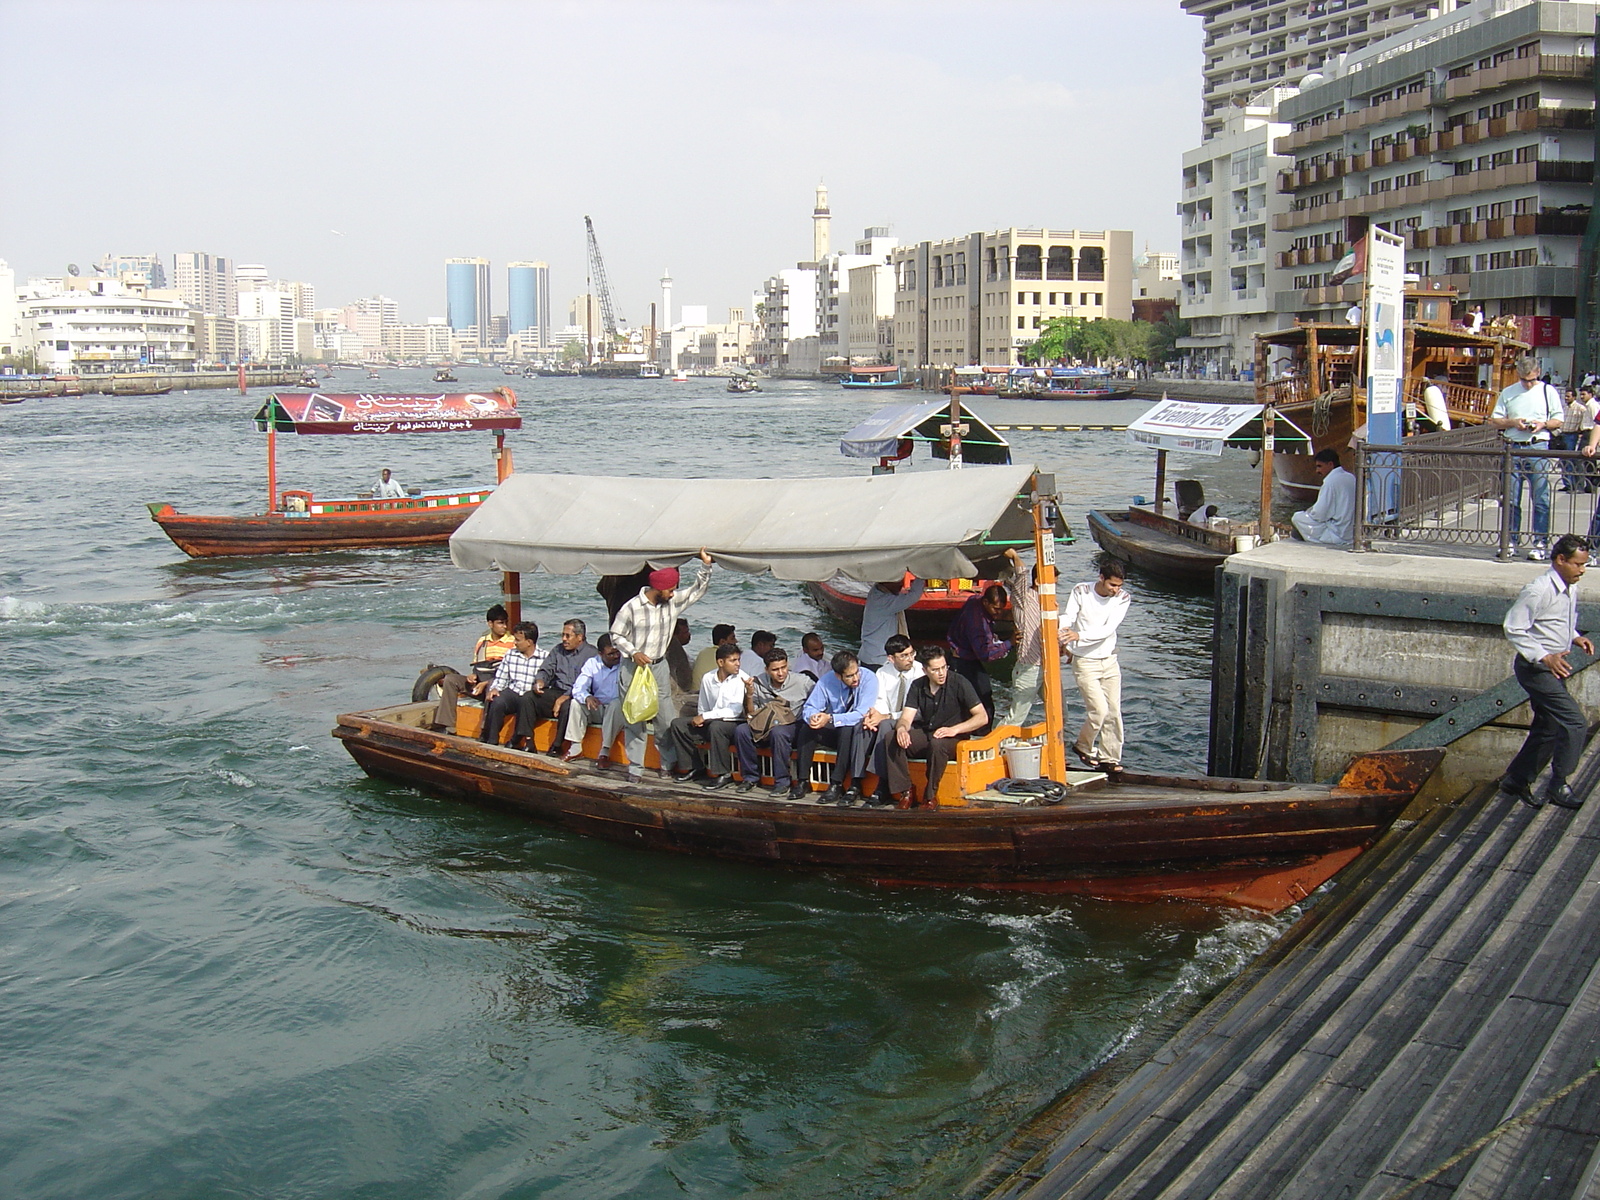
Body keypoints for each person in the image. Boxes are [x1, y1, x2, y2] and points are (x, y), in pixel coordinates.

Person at [1498, 534, 1593, 809]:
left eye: (1584, 564)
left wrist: (1574, 637)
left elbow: (1554, 620)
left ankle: (1517, 779)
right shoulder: (1538, 590)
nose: (1582, 570)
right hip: (1536, 669)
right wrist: (1545, 657)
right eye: (1578, 564)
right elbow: (1514, 628)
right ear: (1560, 560)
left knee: (1548, 725)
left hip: (1552, 667)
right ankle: (1558, 784)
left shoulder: (1568, 585)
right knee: (1575, 722)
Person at [610, 551, 715, 781]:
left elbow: (696, 591)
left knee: (665, 719)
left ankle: (667, 763)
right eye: (670, 590)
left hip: (659, 667)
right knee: (634, 718)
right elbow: (616, 634)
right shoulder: (631, 608)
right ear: (658, 589)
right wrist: (634, 652)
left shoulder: (672, 603)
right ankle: (635, 768)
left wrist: (706, 567)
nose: (673, 593)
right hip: (633, 668)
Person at [882, 646, 987, 809]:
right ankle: (906, 790)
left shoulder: (959, 682)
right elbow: (906, 717)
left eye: (944, 667)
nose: (941, 673)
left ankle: (930, 796)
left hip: (954, 738)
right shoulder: (918, 685)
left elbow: (982, 717)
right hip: (929, 732)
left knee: (937, 745)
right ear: (925, 670)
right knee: (891, 738)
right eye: (936, 669)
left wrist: (955, 730)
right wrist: (902, 729)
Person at [1062, 554, 1132, 773]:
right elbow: (1069, 616)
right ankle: (1083, 745)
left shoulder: (1122, 598)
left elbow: (1108, 629)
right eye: (1112, 584)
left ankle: (1109, 758)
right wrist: (1063, 633)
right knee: (1099, 710)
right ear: (1101, 578)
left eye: (1119, 585)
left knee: (1113, 711)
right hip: (1085, 661)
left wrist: (1078, 635)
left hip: (1109, 659)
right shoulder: (1081, 591)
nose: (1115, 590)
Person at [1491, 356, 1563, 561]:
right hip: (1513, 448)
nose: (1528, 384)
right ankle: (1510, 541)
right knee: (1511, 498)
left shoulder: (1548, 391)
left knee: (1541, 498)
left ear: (1538, 372)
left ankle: (1540, 542)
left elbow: (1559, 419)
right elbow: (1495, 420)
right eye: (1524, 380)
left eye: (1531, 380)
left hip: (1538, 445)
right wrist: (1513, 422)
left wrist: (1543, 424)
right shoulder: (1509, 392)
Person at [794, 650, 879, 804]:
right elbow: (810, 707)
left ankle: (836, 783)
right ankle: (802, 781)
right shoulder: (827, 681)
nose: (855, 678)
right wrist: (814, 717)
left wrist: (831, 718)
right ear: (838, 676)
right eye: (849, 676)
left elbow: (861, 713)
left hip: (857, 729)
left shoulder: (869, 678)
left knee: (847, 729)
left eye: (856, 672)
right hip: (835, 723)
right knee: (807, 728)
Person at [1000, 548, 1071, 728]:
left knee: (1060, 713)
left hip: (1048, 664)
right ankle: (995, 748)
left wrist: (1064, 647)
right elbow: (1022, 574)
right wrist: (1015, 556)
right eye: (1051, 584)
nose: (1054, 588)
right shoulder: (1024, 598)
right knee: (1016, 717)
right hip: (1029, 665)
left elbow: (1051, 632)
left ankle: (1053, 748)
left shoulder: (1049, 603)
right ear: (1039, 581)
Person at [733, 646, 815, 795]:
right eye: (775, 669)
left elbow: (818, 701)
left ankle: (782, 781)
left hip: (791, 725)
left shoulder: (803, 682)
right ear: (767, 670)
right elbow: (751, 714)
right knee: (741, 731)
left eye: (783, 667)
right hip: (764, 725)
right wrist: (749, 694)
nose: (781, 673)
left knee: (779, 733)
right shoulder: (758, 682)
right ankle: (750, 777)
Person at [667, 642, 748, 788]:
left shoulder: (742, 678)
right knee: (678, 725)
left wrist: (706, 716)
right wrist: (701, 718)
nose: (738, 664)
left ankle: (724, 774)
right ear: (721, 662)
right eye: (733, 660)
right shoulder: (708, 678)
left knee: (717, 727)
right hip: (712, 720)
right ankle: (694, 767)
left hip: (734, 723)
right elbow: (703, 706)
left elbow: (734, 711)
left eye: (738, 660)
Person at [430, 603, 514, 733]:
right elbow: (477, 665)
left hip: (497, 685)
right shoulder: (482, 642)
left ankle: (485, 728)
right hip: (479, 682)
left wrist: (485, 683)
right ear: (490, 624)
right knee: (451, 680)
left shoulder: (512, 643)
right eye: (500, 623)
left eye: (505, 623)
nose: (504, 626)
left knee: (491, 685)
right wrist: (472, 677)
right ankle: (448, 725)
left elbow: (509, 674)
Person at [861, 634, 925, 803]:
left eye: (911, 653)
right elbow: (880, 701)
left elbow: (919, 710)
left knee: (885, 725)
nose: (910, 659)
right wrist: (874, 717)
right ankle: (854, 781)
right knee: (866, 726)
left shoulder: (920, 672)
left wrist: (887, 717)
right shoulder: (882, 672)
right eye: (904, 656)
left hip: (914, 721)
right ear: (891, 658)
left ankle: (882, 784)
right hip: (888, 718)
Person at [525, 619, 599, 757]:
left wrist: (567, 696)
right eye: (563, 635)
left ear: (580, 637)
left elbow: (587, 684)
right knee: (529, 697)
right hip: (557, 689)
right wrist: (540, 681)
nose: (564, 639)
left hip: (575, 694)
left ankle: (558, 745)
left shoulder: (591, 654)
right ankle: (527, 740)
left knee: (568, 706)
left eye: (567, 636)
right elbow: (546, 669)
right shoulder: (558, 650)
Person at [945, 584, 1013, 724]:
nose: (998, 613)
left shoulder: (974, 600)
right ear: (986, 602)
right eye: (995, 609)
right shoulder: (977, 625)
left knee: (974, 698)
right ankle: (981, 732)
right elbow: (985, 654)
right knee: (982, 701)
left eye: (1001, 610)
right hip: (963, 661)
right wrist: (1009, 643)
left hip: (961, 654)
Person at [479, 621, 546, 749]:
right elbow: (501, 677)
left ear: (529, 642)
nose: (514, 643)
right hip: (514, 691)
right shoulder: (511, 654)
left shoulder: (544, 658)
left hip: (530, 695)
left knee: (526, 702)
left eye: (518, 640)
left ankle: (516, 740)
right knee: (497, 701)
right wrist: (495, 689)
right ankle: (491, 740)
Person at [563, 634, 625, 768]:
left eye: (617, 652)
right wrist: (587, 697)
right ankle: (575, 747)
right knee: (576, 703)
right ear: (600, 654)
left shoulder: (624, 663)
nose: (616, 656)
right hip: (598, 707)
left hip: (617, 711)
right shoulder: (592, 663)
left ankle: (604, 752)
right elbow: (578, 688)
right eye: (611, 654)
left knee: (616, 703)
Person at [1290, 448, 1357, 545]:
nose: (1318, 471)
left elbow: (1320, 514)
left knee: (1297, 517)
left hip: (1338, 533)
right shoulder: (1351, 477)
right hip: (1351, 533)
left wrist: (1308, 513)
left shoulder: (1330, 482)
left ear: (1330, 464)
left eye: (1320, 466)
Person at [859, 576, 926, 669]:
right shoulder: (884, 601)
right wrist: (921, 574)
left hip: (871, 656)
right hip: (878, 661)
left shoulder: (876, 592)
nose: (901, 584)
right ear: (886, 581)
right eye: (898, 580)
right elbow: (914, 595)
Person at [1556, 384, 1596, 493]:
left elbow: (1596, 424)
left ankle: (1579, 486)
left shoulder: (1583, 408)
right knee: (1565, 460)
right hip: (1565, 434)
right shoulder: (1566, 408)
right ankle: (1569, 484)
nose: (1582, 396)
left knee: (1578, 461)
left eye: (1584, 394)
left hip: (1578, 435)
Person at [666, 617, 696, 716]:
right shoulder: (673, 648)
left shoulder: (678, 650)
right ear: (675, 634)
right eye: (685, 632)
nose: (689, 635)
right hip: (679, 694)